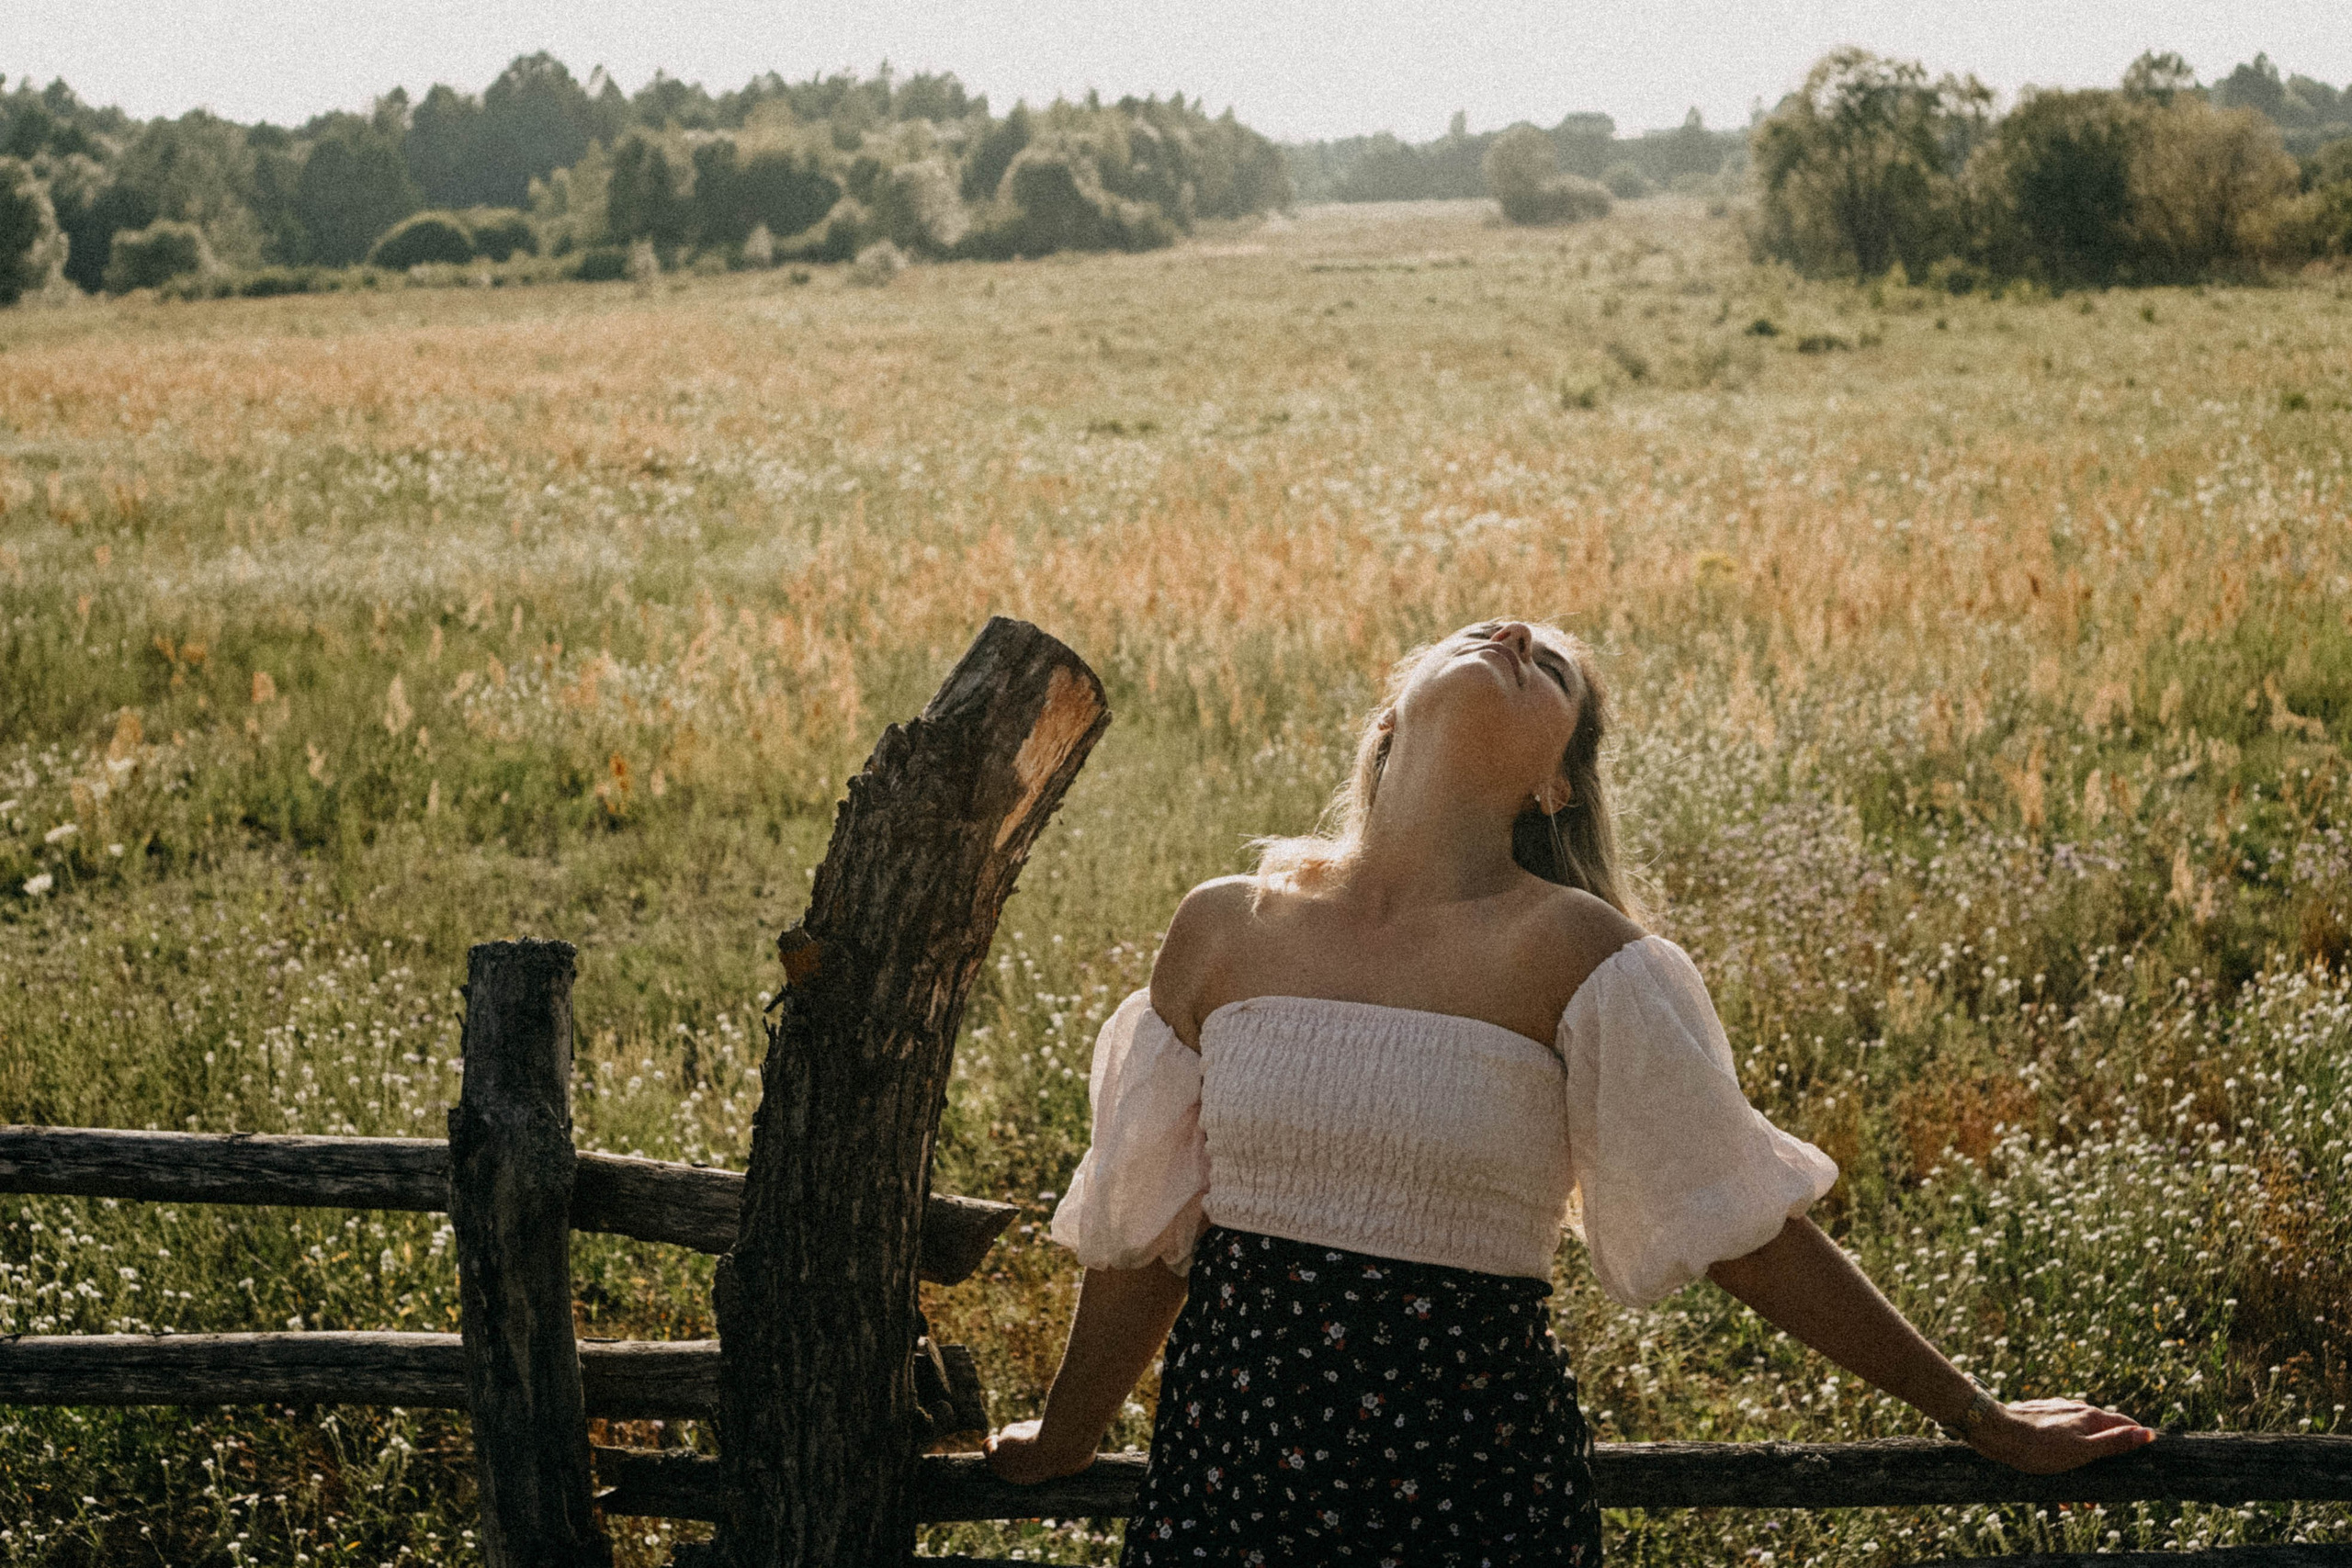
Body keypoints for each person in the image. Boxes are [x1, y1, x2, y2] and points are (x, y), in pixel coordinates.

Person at [985, 619, 2154, 1565]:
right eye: (1489, 635)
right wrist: (1072, 1432)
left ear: (1554, 784)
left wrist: (1976, 1416)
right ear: (1389, 717)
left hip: (1471, 1483)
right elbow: (1146, 1231)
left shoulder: (1581, 955)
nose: (1512, 636)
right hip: (1232, 1472)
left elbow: (1744, 1231)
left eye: (1550, 666)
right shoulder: (1223, 925)